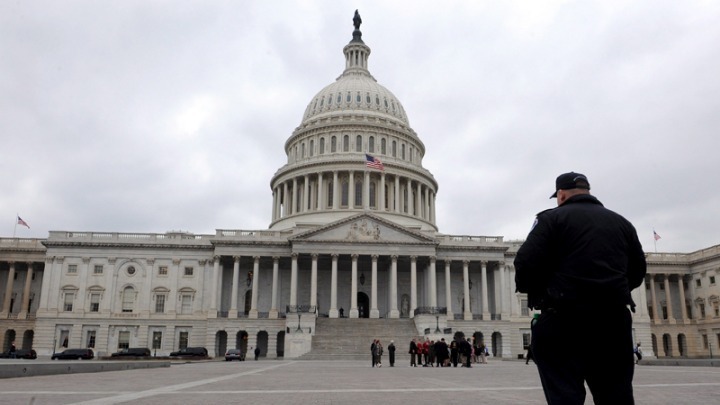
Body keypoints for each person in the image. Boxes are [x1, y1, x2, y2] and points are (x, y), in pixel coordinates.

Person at [515, 171, 647, 405]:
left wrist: (540, 292)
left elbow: (525, 263)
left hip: (563, 319)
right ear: (588, 191)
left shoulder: (551, 219)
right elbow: (638, 270)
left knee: (565, 396)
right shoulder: (622, 223)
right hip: (612, 321)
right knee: (616, 396)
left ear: (561, 194)